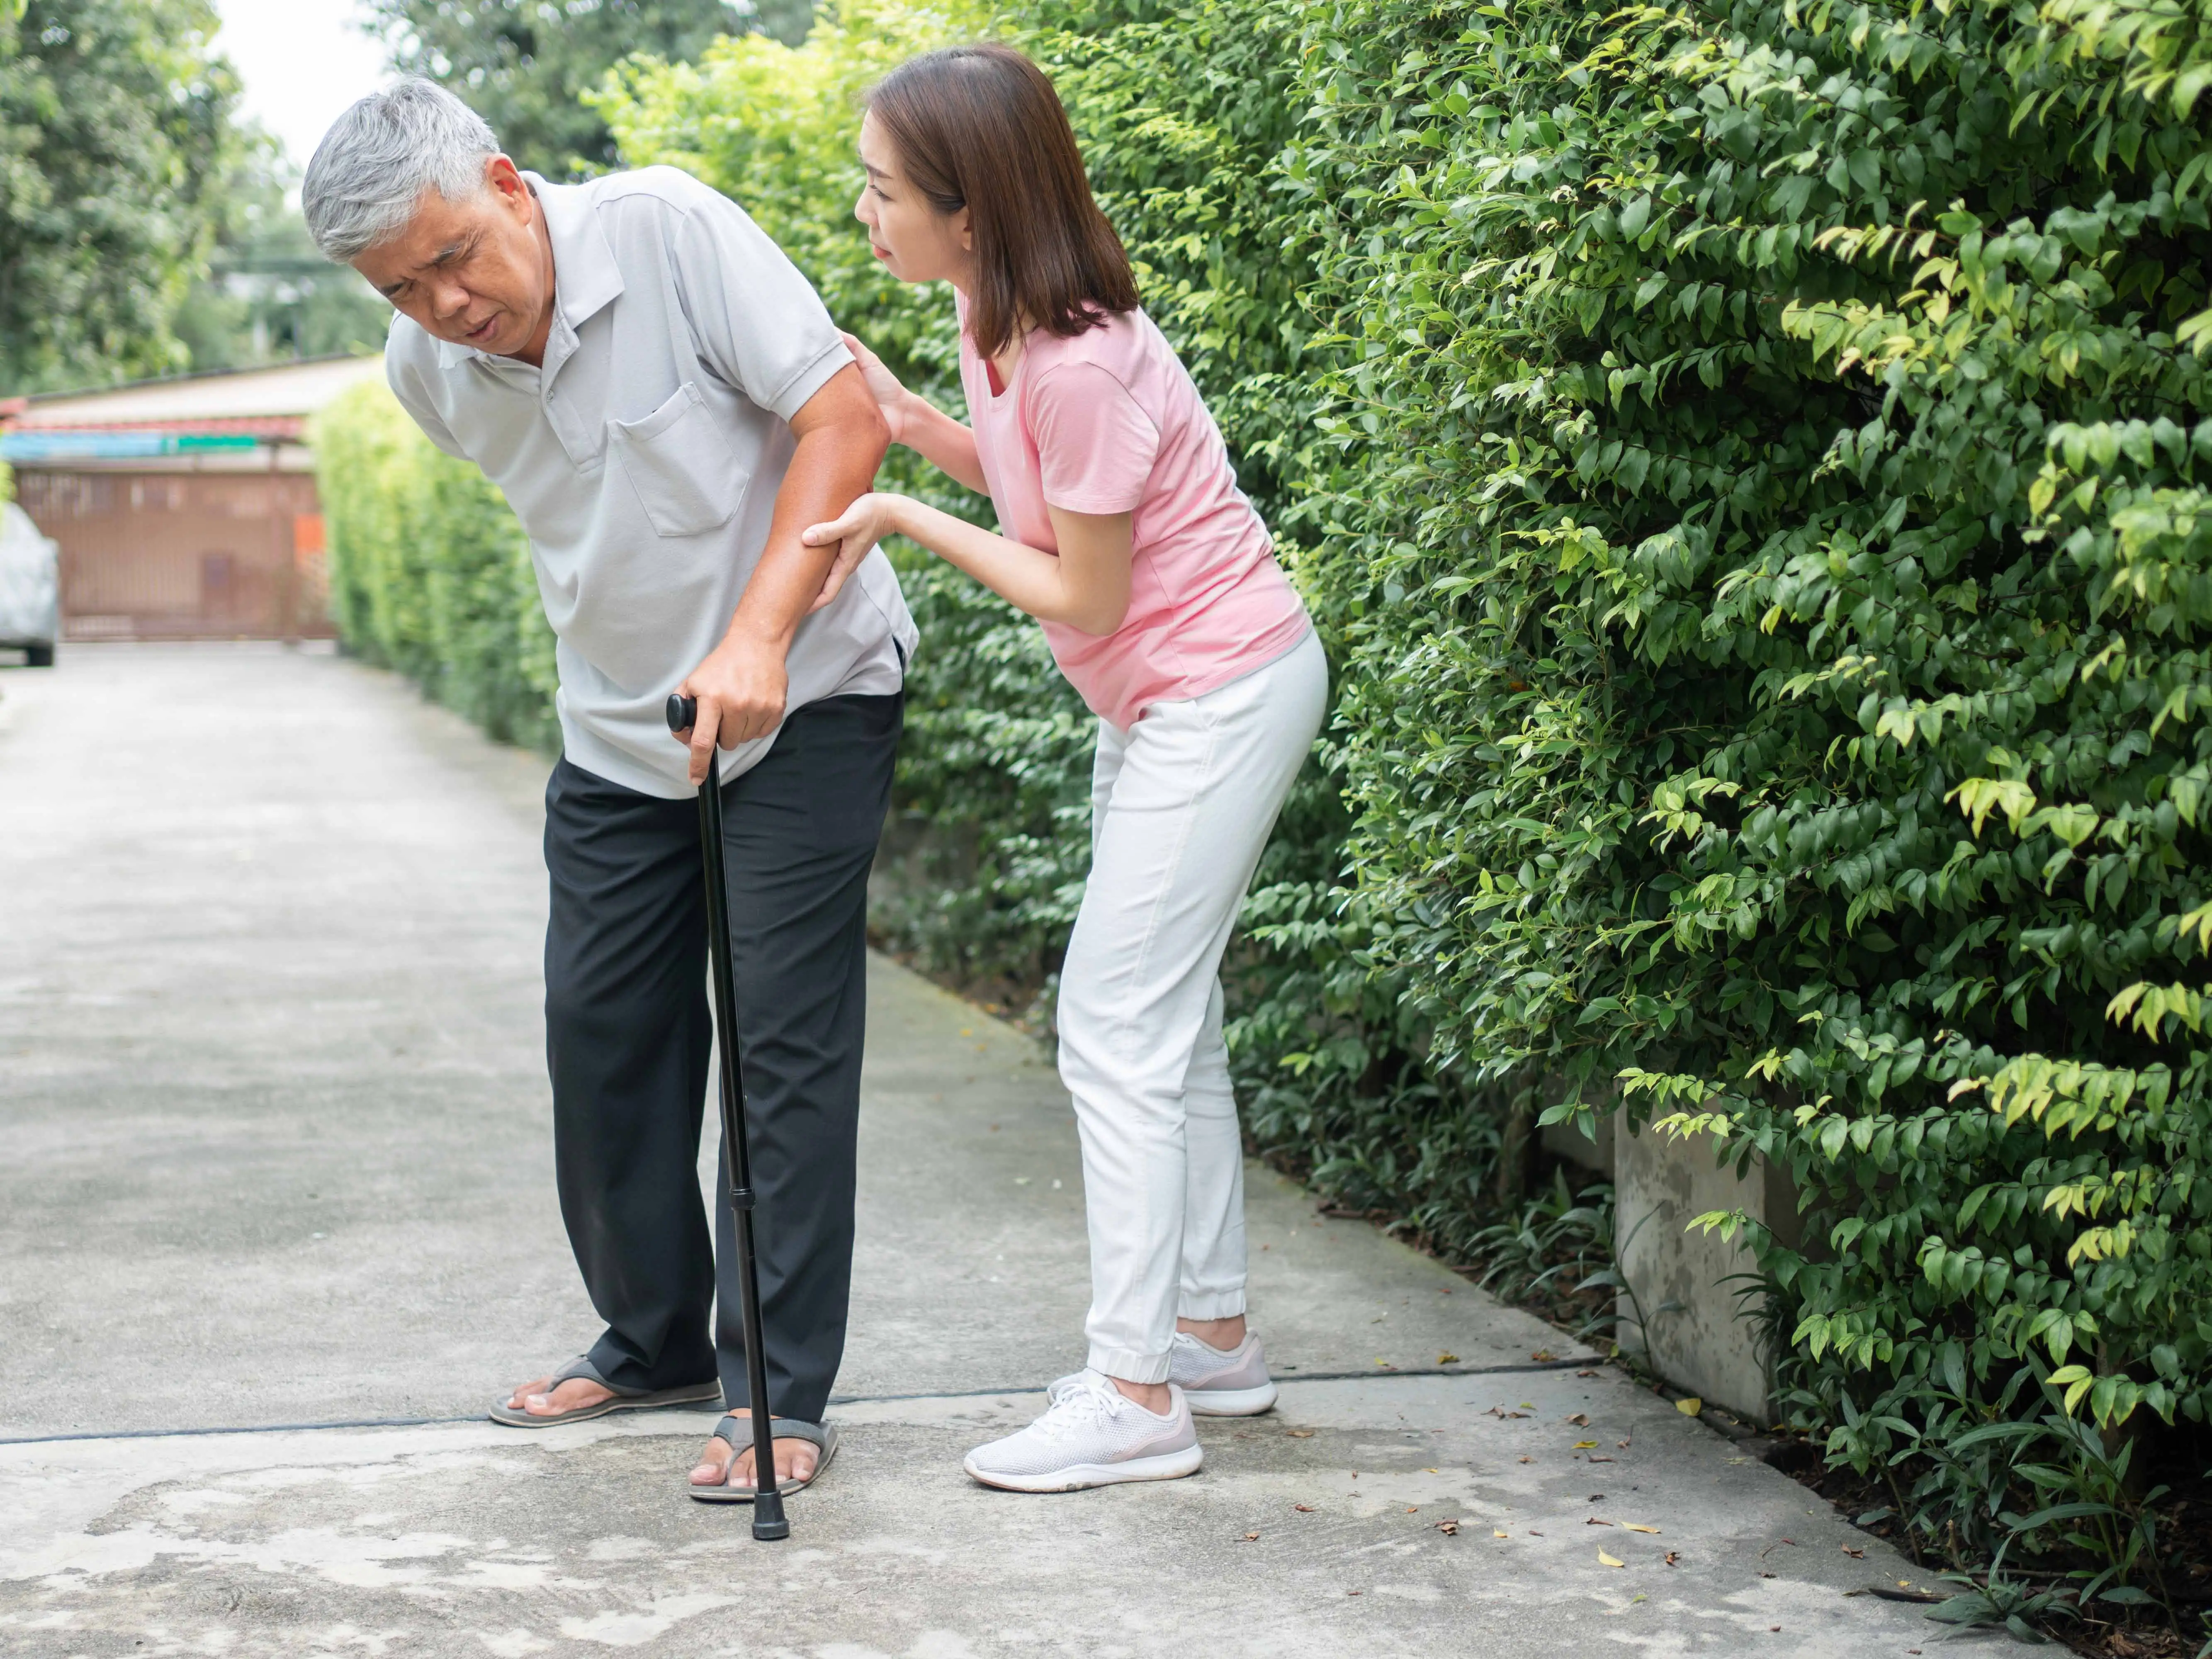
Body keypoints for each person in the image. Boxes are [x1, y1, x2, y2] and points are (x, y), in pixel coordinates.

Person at [301, 79, 917, 1501]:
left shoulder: (670, 229)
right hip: (620, 734)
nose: (444, 302)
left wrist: (759, 631)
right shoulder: (425, 371)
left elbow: (839, 421)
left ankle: (776, 1390)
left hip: (809, 689)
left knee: (779, 1038)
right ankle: (654, 1343)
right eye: (401, 287)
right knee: (602, 1031)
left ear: (510, 185)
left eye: (454, 256)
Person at [804, 44, 1328, 1492]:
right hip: (1162, 702)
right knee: (1169, 1023)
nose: (863, 210)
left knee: (1110, 1026)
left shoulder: (1086, 357)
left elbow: (1080, 593)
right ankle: (1207, 1339)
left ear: (972, 209)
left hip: (1218, 691)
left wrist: (904, 510)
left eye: (881, 188)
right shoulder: (994, 312)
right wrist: (920, 425)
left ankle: (1136, 1393)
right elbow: (1032, 484)